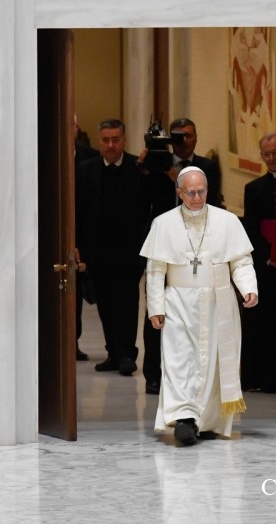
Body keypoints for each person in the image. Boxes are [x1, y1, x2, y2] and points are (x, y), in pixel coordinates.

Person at [141, 166, 258, 446]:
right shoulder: (163, 223)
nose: (196, 197)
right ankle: (184, 418)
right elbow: (155, 270)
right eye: (190, 192)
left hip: (218, 302)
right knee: (179, 360)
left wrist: (248, 288)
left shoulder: (227, 221)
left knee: (213, 364)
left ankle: (205, 421)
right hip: (178, 303)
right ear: (179, 192)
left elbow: (241, 261)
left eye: (201, 191)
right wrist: (155, 307)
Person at [76, 118, 172, 377]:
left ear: (124, 140)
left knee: (127, 302)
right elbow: (79, 210)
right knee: (105, 302)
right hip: (97, 248)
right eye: (106, 140)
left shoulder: (138, 167)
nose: (110, 145)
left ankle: (128, 353)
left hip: (130, 249)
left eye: (115, 140)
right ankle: (113, 353)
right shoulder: (86, 169)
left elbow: (157, 201)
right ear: (99, 141)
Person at [140, 117, 224, 395]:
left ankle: (194, 372)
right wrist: (144, 167)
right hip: (165, 244)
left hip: (197, 246)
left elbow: (212, 202)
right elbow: (138, 198)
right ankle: (153, 374)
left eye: (187, 135)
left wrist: (181, 181)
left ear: (196, 137)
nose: (182, 141)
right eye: (176, 136)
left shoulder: (207, 168)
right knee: (156, 308)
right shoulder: (155, 163)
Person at [241, 132, 276, 393]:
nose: (271, 158)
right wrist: (269, 257)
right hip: (264, 265)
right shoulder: (254, 189)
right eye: (267, 154)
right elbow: (251, 229)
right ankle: (261, 378)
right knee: (262, 322)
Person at [73, 115, 99, 362]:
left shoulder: (91, 157)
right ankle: (68, 341)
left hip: (86, 231)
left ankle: (75, 341)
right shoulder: (45, 152)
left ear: (77, 128)